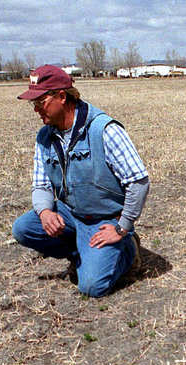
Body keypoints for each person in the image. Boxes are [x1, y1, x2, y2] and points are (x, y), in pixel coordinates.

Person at [12, 65, 150, 297]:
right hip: (70, 214)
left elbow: (138, 181)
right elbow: (41, 184)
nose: (36, 109)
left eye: (40, 101)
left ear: (62, 97)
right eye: (32, 104)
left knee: (92, 287)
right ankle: (81, 252)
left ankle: (128, 248)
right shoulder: (45, 137)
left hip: (104, 219)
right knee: (23, 229)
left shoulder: (104, 130)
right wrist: (45, 212)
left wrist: (122, 226)